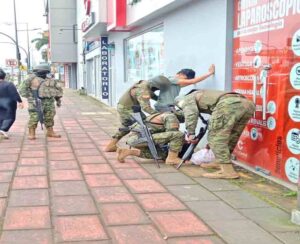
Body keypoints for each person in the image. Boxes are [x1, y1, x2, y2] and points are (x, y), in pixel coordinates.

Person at [104, 65, 215, 152]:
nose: (159, 89)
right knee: (145, 126)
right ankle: (147, 147)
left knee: (128, 126)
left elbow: (153, 96)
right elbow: (146, 107)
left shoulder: (149, 85)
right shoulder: (147, 87)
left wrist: (158, 102)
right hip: (128, 109)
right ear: (179, 74)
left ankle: (111, 145)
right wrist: (157, 116)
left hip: (128, 108)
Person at [175, 90, 255, 179]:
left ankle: (228, 171)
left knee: (215, 137)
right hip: (247, 104)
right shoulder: (200, 94)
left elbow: (191, 114)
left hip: (228, 104)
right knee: (231, 135)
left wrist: (191, 134)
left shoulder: (185, 100)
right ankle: (218, 163)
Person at [117, 111, 184, 165]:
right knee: (178, 135)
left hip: (136, 139)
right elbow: (173, 134)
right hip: (139, 138)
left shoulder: (162, 114)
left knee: (163, 154)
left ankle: (128, 152)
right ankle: (172, 159)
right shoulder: (171, 117)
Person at [19, 64, 63, 140]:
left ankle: (50, 132)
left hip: (49, 102)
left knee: (50, 116)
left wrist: (58, 100)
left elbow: (56, 91)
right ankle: (31, 133)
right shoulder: (30, 79)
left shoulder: (50, 80)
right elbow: (22, 90)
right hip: (35, 101)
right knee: (34, 117)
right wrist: (31, 97)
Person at [0, 68, 24, 139]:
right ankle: (3, 129)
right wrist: (20, 101)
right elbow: (14, 93)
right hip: (8, 103)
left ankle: (1, 129)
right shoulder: (9, 84)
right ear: (4, 76)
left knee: (1, 116)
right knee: (10, 117)